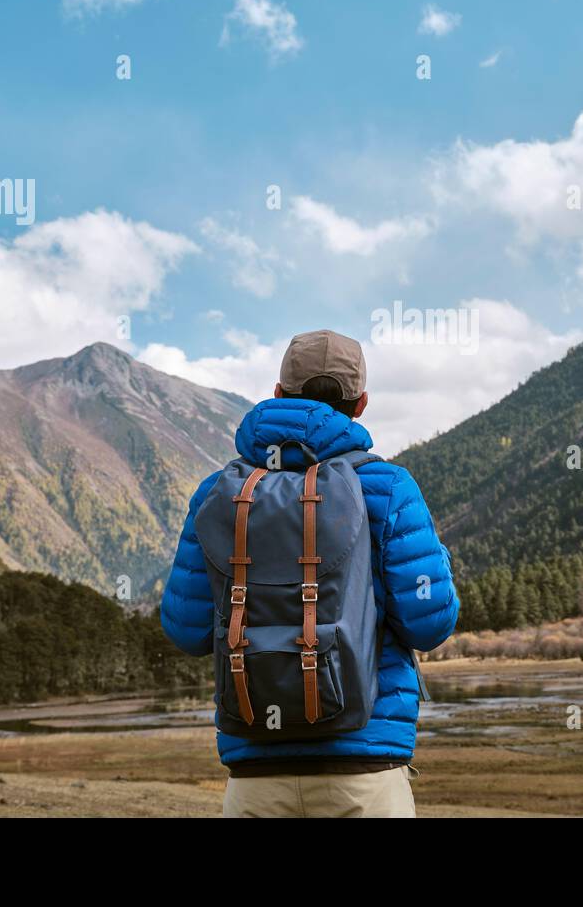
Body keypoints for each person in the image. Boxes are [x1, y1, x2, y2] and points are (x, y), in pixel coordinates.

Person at [160, 328, 460, 817]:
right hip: (363, 769)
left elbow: (186, 630)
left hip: (257, 773)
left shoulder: (219, 491)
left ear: (277, 394)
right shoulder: (387, 486)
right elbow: (429, 624)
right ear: (361, 403)